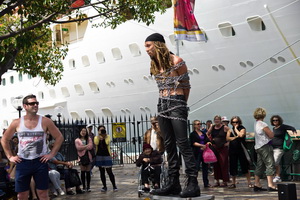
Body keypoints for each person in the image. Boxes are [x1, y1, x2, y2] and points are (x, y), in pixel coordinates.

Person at [145, 33, 200, 198]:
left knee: (183, 143)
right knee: (168, 144)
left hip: (176, 102)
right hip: (162, 104)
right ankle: (173, 183)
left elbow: (186, 86)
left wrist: (181, 104)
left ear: (158, 44)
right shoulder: (155, 65)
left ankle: (192, 183)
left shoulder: (177, 61)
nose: (146, 50)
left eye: (149, 45)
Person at [0, 94, 64, 200]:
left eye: (36, 103)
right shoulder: (16, 122)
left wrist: (51, 154)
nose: (35, 105)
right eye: (32, 103)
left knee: (43, 193)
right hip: (23, 162)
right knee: (22, 195)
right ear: (25, 106)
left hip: (40, 161)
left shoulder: (45, 121)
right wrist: (10, 157)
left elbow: (59, 137)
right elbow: (4, 139)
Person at [253, 107, 277, 191]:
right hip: (265, 146)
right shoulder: (263, 124)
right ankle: (271, 184)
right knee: (270, 164)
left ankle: (257, 184)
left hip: (258, 147)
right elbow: (271, 135)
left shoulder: (256, 123)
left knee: (260, 165)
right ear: (264, 114)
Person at [226, 116, 253, 188]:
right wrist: (235, 137)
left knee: (245, 165)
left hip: (241, 149)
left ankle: (249, 182)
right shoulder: (230, 130)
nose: (235, 123)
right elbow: (228, 138)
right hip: (232, 149)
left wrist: (236, 129)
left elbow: (241, 135)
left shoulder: (242, 128)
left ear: (239, 122)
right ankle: (233, 182)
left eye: (236, 122)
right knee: (233, 166)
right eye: (233, 122)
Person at [270, 115, 297, 183]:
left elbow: (291, 127)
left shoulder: (282, 126)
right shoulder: (274, 128)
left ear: (279, 121)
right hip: (273, 147)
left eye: (276, 120)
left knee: (275, 161)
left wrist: (294, 130)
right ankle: (277, 176)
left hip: (280, 148)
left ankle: (277, 176)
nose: (275, 121)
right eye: (273, 120)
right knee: (276, 162)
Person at [206, 115, 230, 187]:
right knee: (216, 164)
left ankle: (225, 181)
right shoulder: (213, 127)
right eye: (215, 119)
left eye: (218, 119)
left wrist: (228, 142)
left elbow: (230, 133)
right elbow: (207, 134)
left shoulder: (224, 127)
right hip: (215, 147)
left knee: (223, 163)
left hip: (222, 148)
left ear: (220, 120)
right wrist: (209, 141)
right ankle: (217, 181)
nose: (216, 121)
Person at [94, 125, 118, 192]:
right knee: (102, 172)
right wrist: (99, 137)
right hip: (99, 156)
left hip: (107, 155)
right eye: (100, 130)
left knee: (109, 171)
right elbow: (96, 143)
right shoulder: (96, 137)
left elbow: (107, 143)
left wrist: (104, 137)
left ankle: (114, 185)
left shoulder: (108, 136)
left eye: (103, 130)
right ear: (98, 131)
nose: (102, 131)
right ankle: (104, 186)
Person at [189, 120, 211, 188]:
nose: (199, 125)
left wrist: (207, 144)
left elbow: (207, 140)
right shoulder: (192, 134)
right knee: (196, 168)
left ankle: (206, 183)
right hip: (196, 152)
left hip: (204, 152)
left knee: (205, 168)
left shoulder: (203, 133)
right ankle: (194, 183)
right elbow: (193, 143)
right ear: (194, 125)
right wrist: (201, 146)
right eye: (198, 124)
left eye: (200, 124)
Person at [75, 127, 93, 192]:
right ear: (80, 132)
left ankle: (88, 186)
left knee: (88, 172)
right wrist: (86, 146)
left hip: (88, 156)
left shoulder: (89, 139)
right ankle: (84, 186)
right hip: (81, 157)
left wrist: (84, 147)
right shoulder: (77, 140)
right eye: (82, 131)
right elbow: (78, 148)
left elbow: (90, 147)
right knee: (82, 172)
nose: (83, 132)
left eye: (85, 131)